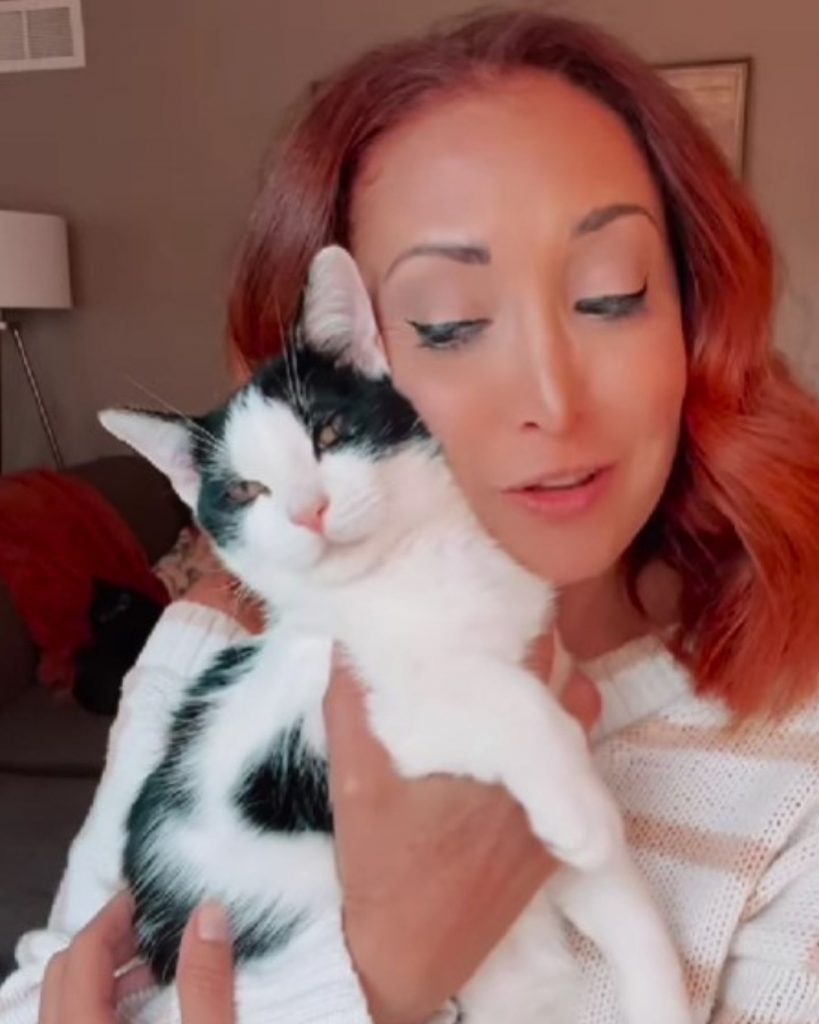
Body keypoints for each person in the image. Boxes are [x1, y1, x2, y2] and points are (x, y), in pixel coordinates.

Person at [3, 8, 819, 1024]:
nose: (552, 401)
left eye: (612, 297)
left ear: (696, 325)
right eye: (447, 324)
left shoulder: (792, 736)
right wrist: (378, 967)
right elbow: (56, 989)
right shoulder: (212, 646)